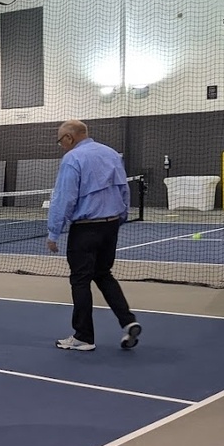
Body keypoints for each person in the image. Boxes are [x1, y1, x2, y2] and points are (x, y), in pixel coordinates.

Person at [46, 119, 142, 351]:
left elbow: (64, 197)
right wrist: (121, 217)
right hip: (110, 226)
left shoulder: (72, 159)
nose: (61, 146)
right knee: (103, 274)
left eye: (61, 141)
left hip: (86, 228)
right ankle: (128, 321)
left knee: (80, 280)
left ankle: (83, 337)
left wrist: (53, 232)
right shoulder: (110, 154)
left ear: (69, 138)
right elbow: (123, 189)